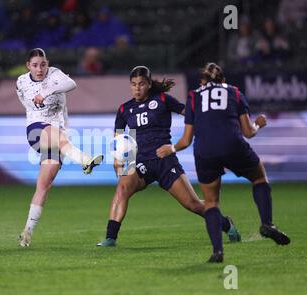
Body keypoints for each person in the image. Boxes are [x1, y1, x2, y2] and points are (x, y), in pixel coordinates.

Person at [157, 62, 290, 263]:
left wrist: (172, 149)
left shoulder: (194, 96)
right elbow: (248, 132)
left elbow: (186, 141)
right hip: (232, 144)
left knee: (211, 202)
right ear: (223, 80)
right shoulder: (235, 92)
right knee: (259, 177)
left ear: (202, 81)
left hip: (206, 150)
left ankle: (217, 252)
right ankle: (267, 223)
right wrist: (259, 124)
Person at [97, 66, 240, 248]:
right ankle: (111, 238)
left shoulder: (163, 100)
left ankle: (226, 224)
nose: (137, 88)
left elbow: (190, 114)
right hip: (140, 161)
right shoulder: (125, 109)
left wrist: (210, 121)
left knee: (192, 204)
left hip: (165, 161)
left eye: (141, 84)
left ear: (149, 84)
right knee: (122, 189)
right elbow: (119, 135)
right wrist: (118, 158)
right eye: (133, 85)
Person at [16, 48, 103, 247]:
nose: (40, 69)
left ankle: (27, 231)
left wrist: (46, 91)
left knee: (44, 186)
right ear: (28, 66)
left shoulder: (55, 74)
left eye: (43, 64)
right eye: (35, 65)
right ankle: (85, 160)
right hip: (36, 129)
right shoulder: (21, 81)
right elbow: (28, 105)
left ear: (48, 63)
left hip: (56, 130)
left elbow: (71, 84)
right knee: (62, 140)